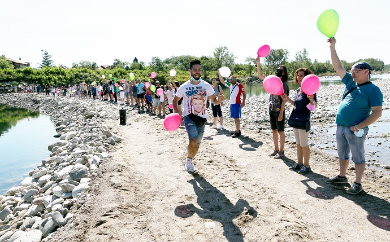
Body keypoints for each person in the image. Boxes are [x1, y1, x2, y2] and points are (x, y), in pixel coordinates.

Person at [325, 37, 383, 195]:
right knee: (342, 154)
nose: (352, 73)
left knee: (358, 156)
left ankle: (357, 183)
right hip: (341, 126)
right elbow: (337, 65)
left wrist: (359, 126)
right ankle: (342, 176)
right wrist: (332, 47)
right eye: (352, 71)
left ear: (366, 72)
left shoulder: (373, 90)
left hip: (356, 129)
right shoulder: (351, 83)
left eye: (356, 71)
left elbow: (377, 112)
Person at [173, 59, 225, 173]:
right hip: (189, 117)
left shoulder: (206, 85)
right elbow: (175, 100)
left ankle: (189, 158)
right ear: (190, 71)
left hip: (202, 119)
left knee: (197, 144)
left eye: (199, 70)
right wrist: (178, 114)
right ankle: (188, 162)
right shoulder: (184, 86)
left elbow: (214, 101)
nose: (197, 72)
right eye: (195, 70)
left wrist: (219, 100)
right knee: (193, 140)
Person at [282, 68, 317, 174]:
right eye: (298, 75)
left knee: (304, 144)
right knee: (298, 143)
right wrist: (286, 98)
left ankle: (307, 166)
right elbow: (296, 105)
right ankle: (299, 164)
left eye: (301, 75)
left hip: (304, 120)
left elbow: (314, 107)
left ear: (307, 77)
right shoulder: (298, 90)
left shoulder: (311, 89)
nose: (299, 77)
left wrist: (311, 100)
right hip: (296, 118)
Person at [256, 57, 289, 158]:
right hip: (271, 109)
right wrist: (258, 63)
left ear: (283, 73)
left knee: (280, 131)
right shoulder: (271, 80)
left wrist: (281, 113)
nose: (278, 70)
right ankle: (276, 149)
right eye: (277, 69)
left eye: (280, 69)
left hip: (279, 110)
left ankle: (282, 152)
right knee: (274, 130)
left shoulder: (284, 85)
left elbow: (284, 100)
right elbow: (261, 76)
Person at [218, 72, 245, 137]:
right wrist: (219, 74)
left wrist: (243, 102)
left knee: (237, 118)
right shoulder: (230, 85)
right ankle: (237, 130)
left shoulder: (239, 85)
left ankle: (238, 132)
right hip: (232, 104)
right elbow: (222, 82)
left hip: (237, 103)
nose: (232, 80)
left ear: (236, 79)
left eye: (233, 79)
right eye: (231, 79)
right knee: (234, 118)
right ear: (230, 80)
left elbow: (244, 93)